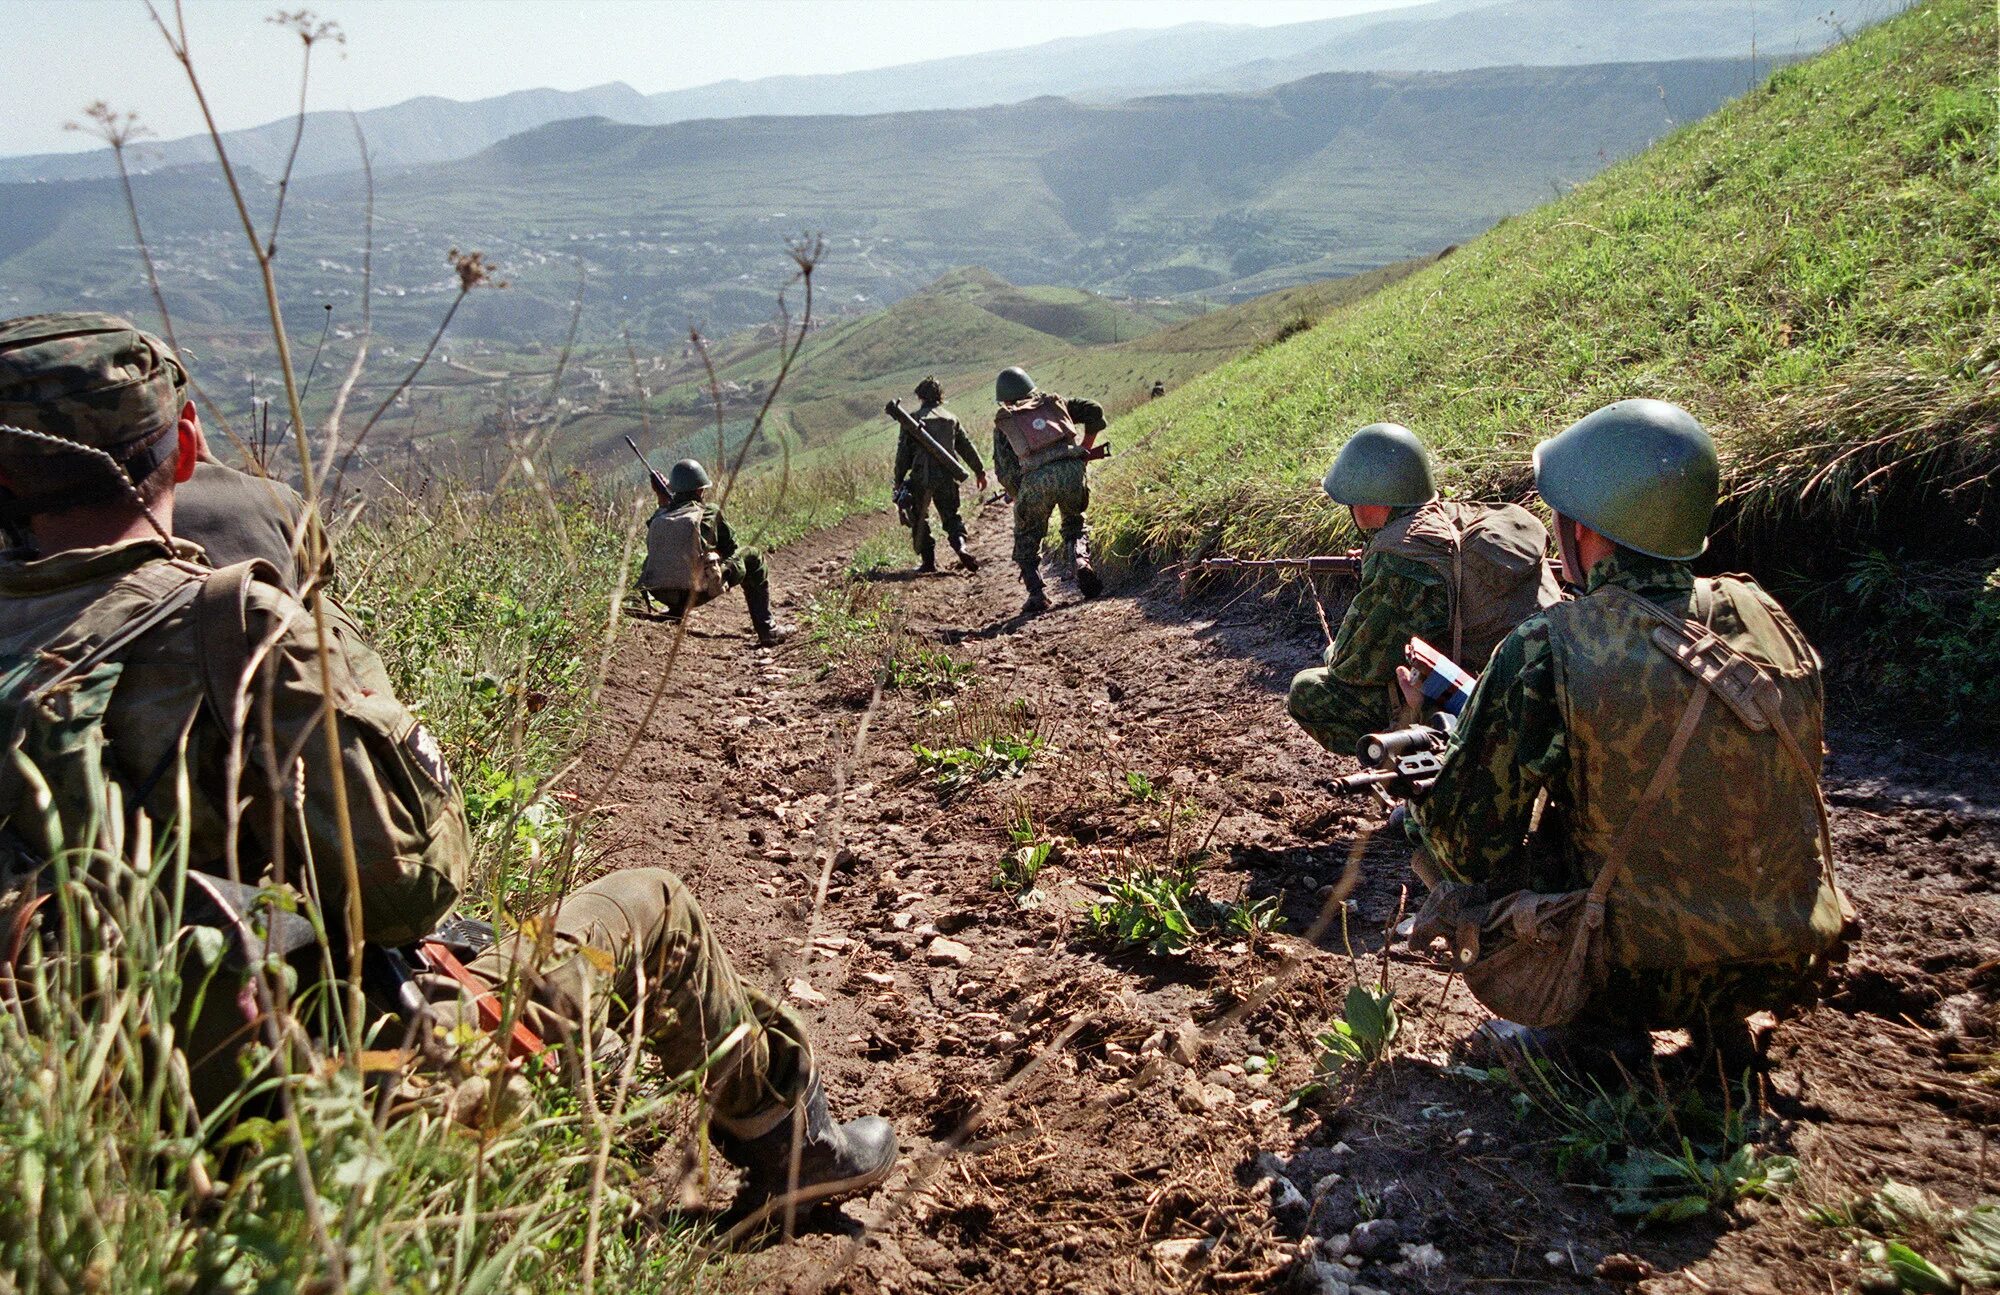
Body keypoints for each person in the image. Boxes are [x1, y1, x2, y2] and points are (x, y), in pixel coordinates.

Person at [0, 312, 893, 1208]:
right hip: (315, 1119)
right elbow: (418, 882)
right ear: (186, 443)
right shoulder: (230, 624)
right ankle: (793, 1143)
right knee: (654, 905)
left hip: (86, 1140)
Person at [1405, 399, 1850, 1063]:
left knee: (1438, 834)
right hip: (1787, 959)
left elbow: (1465, 844)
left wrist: (1434, 762)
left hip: (1631, 976)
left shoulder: (1549, 646)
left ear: (1582, 530)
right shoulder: (1762, 613)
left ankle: (1587, 1030)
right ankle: (1722, 1022)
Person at [1286, 422, 1560, 758]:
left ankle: (1404, 757)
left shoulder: (1400, 556)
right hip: (1549, 680)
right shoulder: (1462, 519)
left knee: (1308, 690)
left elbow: (1353, 666)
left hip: (1485, 705)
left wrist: (1335, 650)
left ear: (1369, 500)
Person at [640, 456, 793, 647]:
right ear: (700, 490)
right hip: (695, 592)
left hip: (660, 592)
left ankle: (675, 613)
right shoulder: (709, 512)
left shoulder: (659, 515)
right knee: (752, 556)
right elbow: (731, 547)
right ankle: (767, 629)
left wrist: (663, 502)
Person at [990, 366, 1105, 615]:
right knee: (1074, 523)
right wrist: (1084, 448)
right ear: (1030, 386)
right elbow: (1094, 410)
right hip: (1072, 472)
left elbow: (1005, 472)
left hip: (1035, 482)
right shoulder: (1054, 404)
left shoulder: (1006, 422)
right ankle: (1081, 561)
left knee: (1026, 539)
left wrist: (1021, 495)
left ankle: (1037, 594)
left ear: (1004, 398)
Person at [173, 452, 320, 594]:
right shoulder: (278, 496)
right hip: (273, 613)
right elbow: (320, 568)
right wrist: (209, 459)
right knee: (325, 607)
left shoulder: (158, 504)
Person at [893, 376, 987, 573]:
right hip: (947, 475)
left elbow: (903, 454)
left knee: (919, 518)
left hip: (921, 477)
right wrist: (979, 471)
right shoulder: (951, 419)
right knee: (951, 516)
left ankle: (928, 563)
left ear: (920, 397)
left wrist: (899, 479)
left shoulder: (912, 420)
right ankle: (961, 548)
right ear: (940, 396)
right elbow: (966, 447)